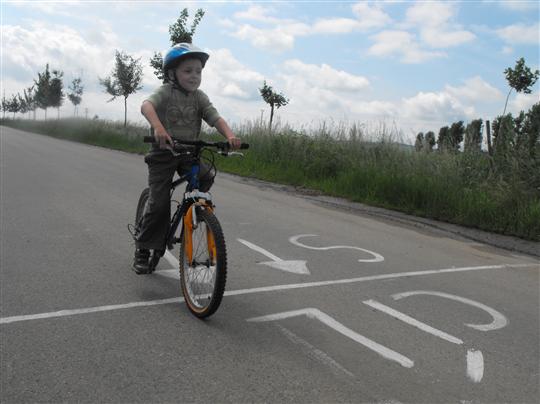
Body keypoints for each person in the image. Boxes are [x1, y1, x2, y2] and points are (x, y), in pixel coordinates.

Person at [133, 42, 241, 274]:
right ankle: (143, 248)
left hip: (188, 153)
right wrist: (159, 129)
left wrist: (230, 136)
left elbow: (215, 118)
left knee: (206, 174)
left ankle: (193, 210)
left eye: (198, 72)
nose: (194, 76)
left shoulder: (199, 97)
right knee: (159, 204)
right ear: (172, 73)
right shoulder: (166, 92)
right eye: (188, 71)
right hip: (163, 154)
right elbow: (146, 106)